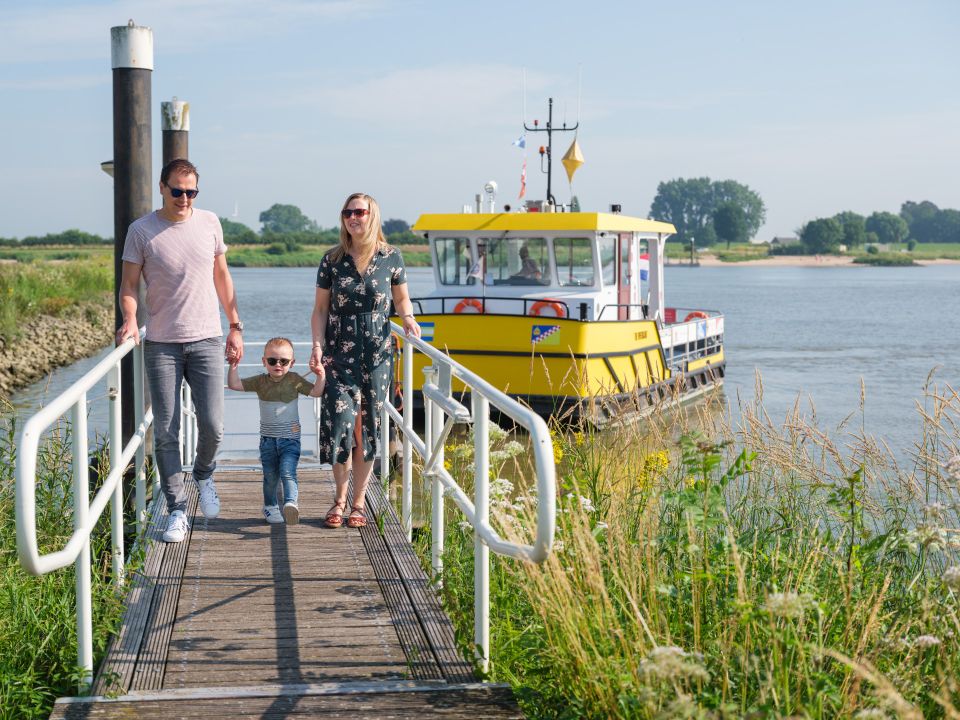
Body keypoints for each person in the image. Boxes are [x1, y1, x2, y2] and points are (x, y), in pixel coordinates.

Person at [116, 158, 244, 544]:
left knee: (214, 427)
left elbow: (222, 275)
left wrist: (235, 326)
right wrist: (129, 320)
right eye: (177, 191)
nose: (184, 198)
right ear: (162, 187)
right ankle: (177, 509)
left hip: (207, 338)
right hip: (162, 343)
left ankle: (203, 474)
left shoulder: (210, 222)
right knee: (167, 431)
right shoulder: (141, 230)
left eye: (191, 192)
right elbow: (129, 285)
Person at [309, 192, 420, 529]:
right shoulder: (332, 260)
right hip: (338, 355)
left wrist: (408, 319)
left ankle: (358, 503)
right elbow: (320, 309)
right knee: (341, 424)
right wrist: (316, 346)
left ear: (373, 216)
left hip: (377, 355)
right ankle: (339, 499)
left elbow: (402, 299)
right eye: (348, 212)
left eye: (360, 212)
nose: (353, 218)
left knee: (367, 427)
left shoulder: (391, 257)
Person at [227, 337, 325, 524]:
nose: (278, 365)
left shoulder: (295, 380)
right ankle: (270, 507)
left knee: (288, 472)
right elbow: (234, 384)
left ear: (292, 363)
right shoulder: (260, 381)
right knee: (270, 477)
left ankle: (291, 503)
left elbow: (316, 392)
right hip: (268, 440)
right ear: (264, 362)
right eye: (272, 361)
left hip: (290, 439)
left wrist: (320, 375)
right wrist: (233, 365)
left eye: (284, 361)